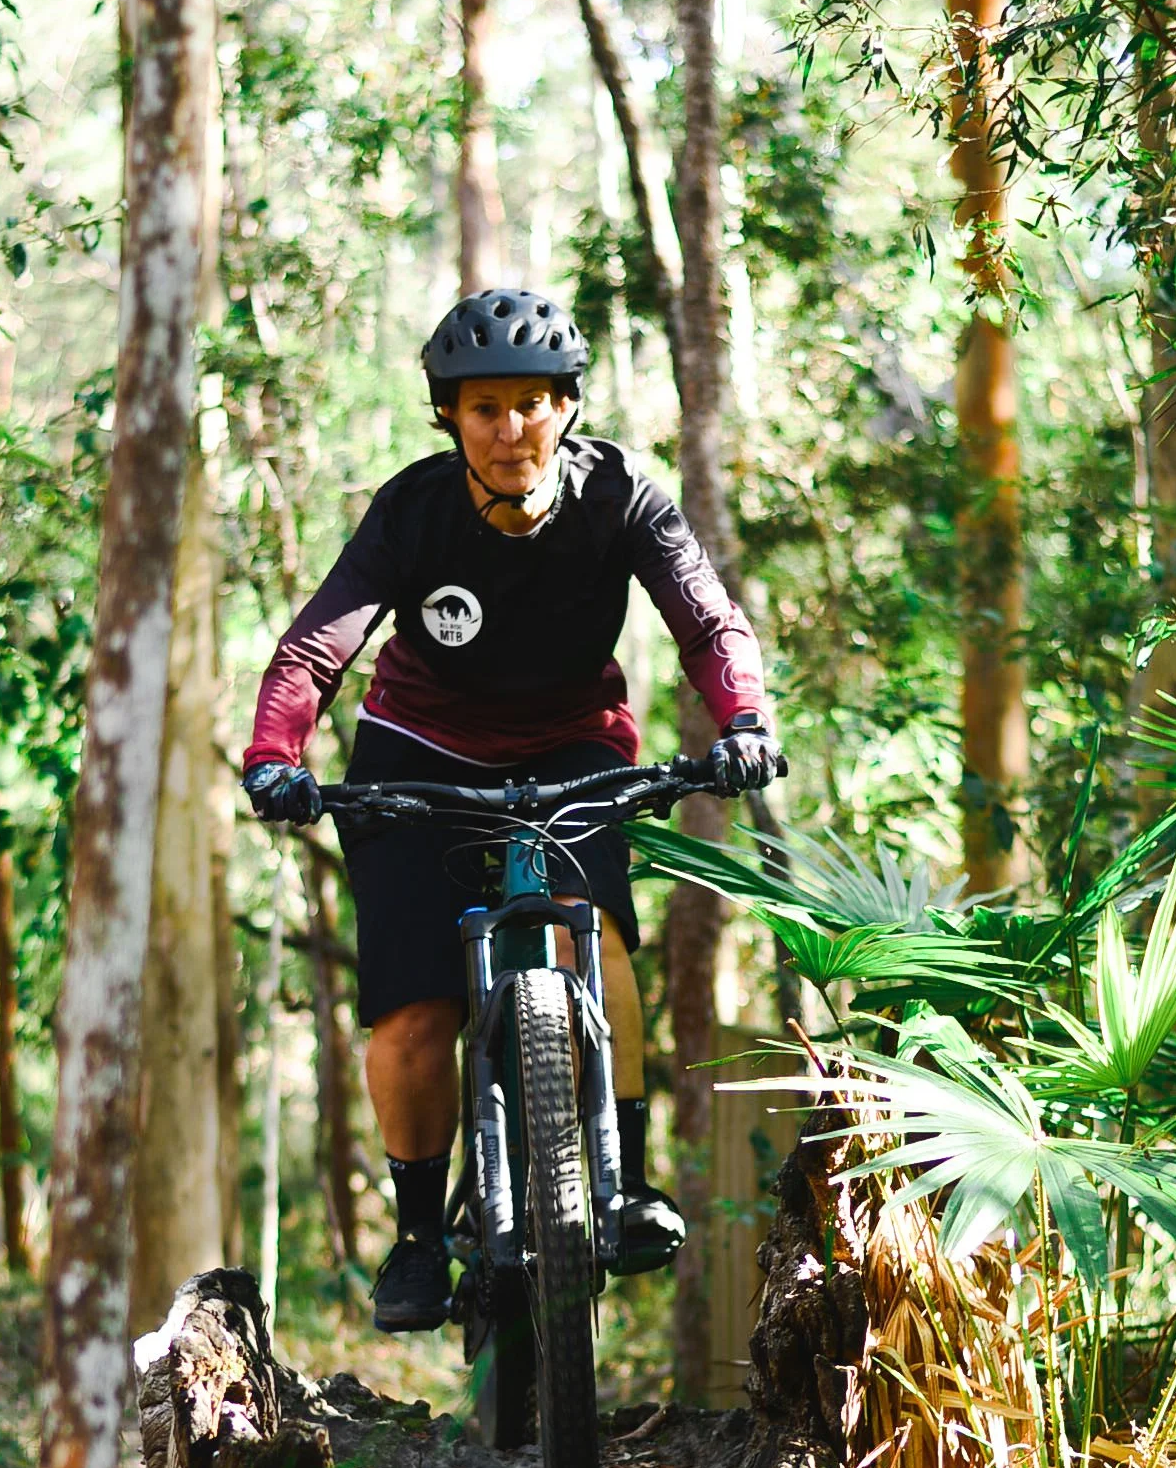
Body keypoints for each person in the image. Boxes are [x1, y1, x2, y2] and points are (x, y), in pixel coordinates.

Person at [241, 286, 782, 1333]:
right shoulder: (414, 511)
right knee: (414, 1012)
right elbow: (317, 647)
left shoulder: (624, 494)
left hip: (572, 753)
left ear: (567, 406)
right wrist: (275, 755)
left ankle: (619, 1184)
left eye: (531, 403)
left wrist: (744, 721)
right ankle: (414, 1238)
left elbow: (707, 621)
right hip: (418, 754)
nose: (510, 429)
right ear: (450, 416)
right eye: (484, 407)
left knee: (601, 946)